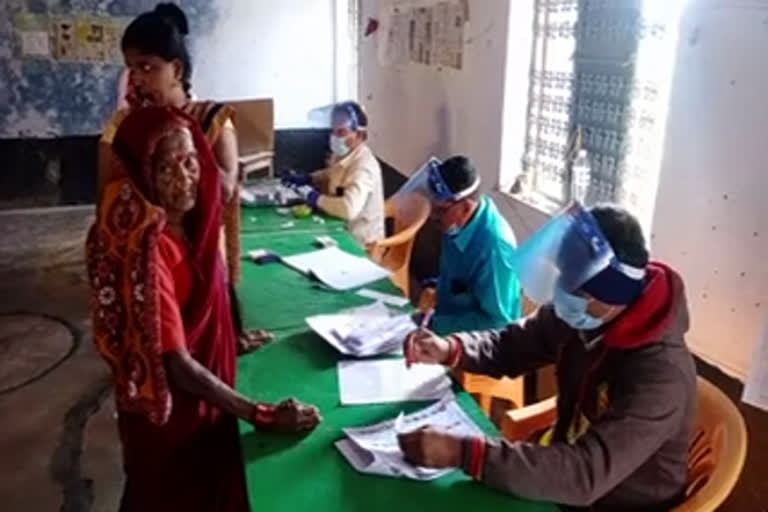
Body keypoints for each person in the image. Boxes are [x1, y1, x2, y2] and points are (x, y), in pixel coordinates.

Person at [87, 107, 321, 512]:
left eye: (191, 161)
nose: (185, 179)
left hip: (200, 400)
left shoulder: (192, 225)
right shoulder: (148, 247)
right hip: (174, 425)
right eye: (166, 168)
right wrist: (261, 413)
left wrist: (227, 338)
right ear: (142, 173)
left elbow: (195, 309)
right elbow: (175, 362)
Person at [399, 203, 696, 512]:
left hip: (613, 500)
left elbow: (584, 474)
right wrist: (450, 349)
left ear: (609, 295)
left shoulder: (661, 376)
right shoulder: (584, 316)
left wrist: (463, 453)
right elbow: (512, 343)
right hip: (567, 470)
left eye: (573, 285)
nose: (561, 293)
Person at [99, 2, 268, 353]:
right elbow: (108, 196)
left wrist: (180, 147)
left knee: (205, 352)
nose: (138, 79)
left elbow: (223, 189)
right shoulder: (125, 127)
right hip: (152, 258)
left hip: (202, 255)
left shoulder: (213, 119)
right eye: (132, 68)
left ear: (176, 69)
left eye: (148, 67)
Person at [399, 155, 520, 333]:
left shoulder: (495, 248)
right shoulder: (457, 224)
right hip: (447, 321)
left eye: (441, 210)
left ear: (466, 207)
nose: (433, 216)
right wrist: (436, 285)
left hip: (479, 346)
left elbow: (498, 323)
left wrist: (435, 325)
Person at [283, 101, 385, 245]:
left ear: (360, 135)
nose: (335, 137)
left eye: (342, 132)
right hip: (339, 229)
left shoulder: (364, 167)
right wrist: (310, 178)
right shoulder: (343, 155)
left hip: (360, 243)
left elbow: (348, 208)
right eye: (333, 131)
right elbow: (333, 172)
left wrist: (316, 198)